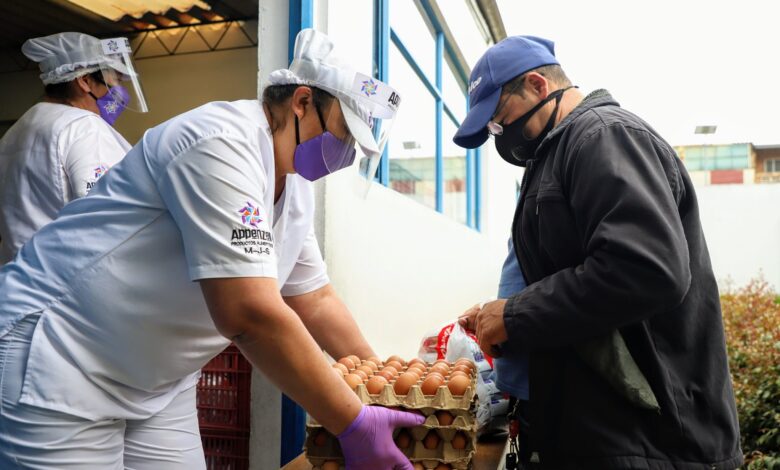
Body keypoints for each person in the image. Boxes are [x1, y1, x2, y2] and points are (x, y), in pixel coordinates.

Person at [0, 28, 422, 469]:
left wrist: (383, 384)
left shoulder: (293, 186)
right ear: (301, 102)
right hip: (63, 357)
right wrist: (352, 422)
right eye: (343, 133)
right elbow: (249, 314)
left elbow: (314, 298)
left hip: (157, 379)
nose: (345, 151)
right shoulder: (220, 142)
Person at [455, 35, 742, 469]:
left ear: (537, 85)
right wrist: (502, 313)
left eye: (499, 119)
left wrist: (514, 315)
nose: (501, 135)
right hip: (603, 436)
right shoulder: (554, 154)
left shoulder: (604, 137)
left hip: (652, 444)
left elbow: (645, 269)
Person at [0, 32, 146, 264]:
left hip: (20, 275)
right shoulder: (84, 127)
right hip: (71, 275)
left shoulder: (18, 129)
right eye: (115, 81)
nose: (118, 93)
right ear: (85, 81)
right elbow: (108, 215)